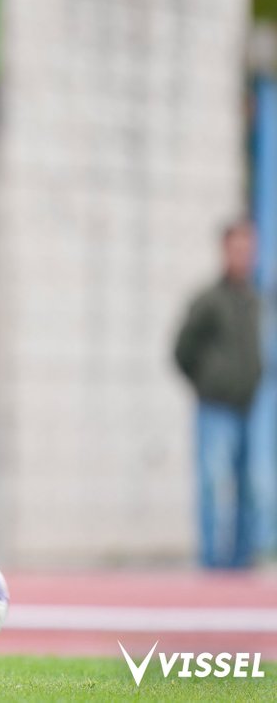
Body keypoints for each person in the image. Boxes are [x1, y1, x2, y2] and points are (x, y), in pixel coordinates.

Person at [174, 219, 262, 569]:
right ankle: (212, 562)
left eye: (249, 250)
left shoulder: (254, 300)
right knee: (213, 484)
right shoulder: (209, 300)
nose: (244, 257)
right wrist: (207, 383)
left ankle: (241, 560)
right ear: (225, 251)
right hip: (215, 406)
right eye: (238, 249)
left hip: (247, 406)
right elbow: (182, 350)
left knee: (249, 486)